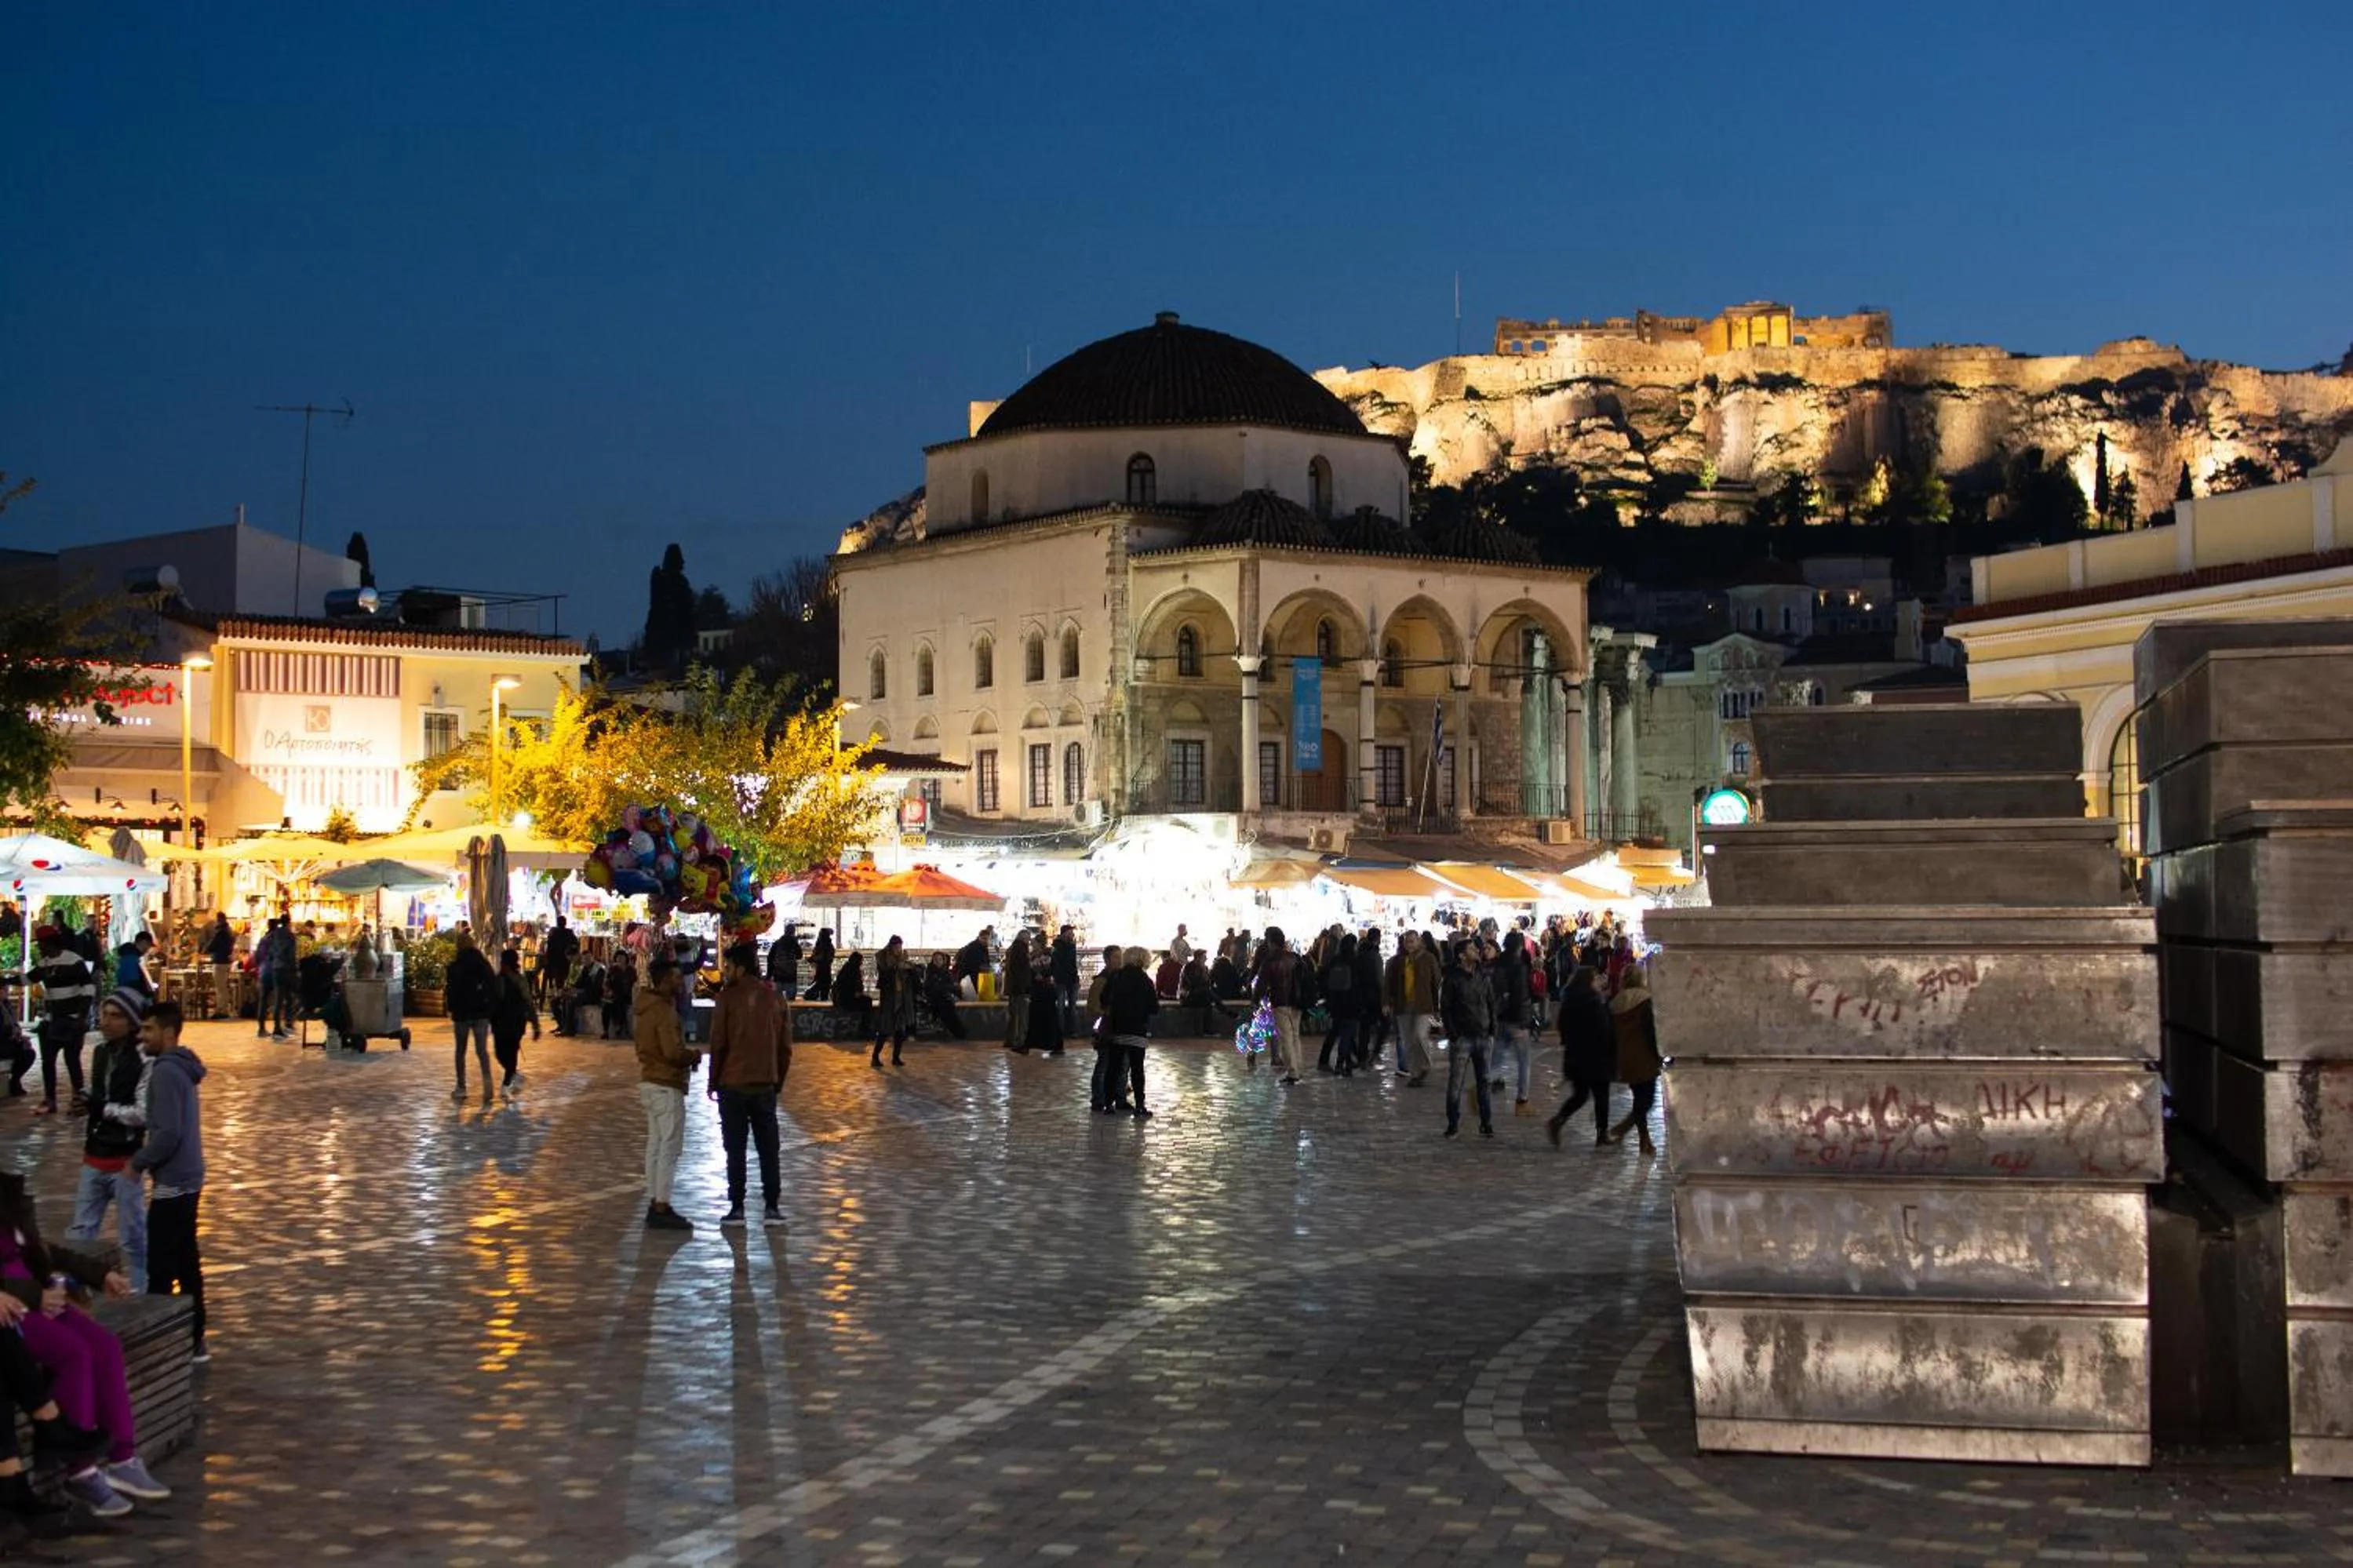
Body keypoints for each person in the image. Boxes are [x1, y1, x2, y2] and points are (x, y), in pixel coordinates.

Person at [0, 1169, 164, 1517]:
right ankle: (81, 1469)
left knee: (104, 1347)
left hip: (36, 1293)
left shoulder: (6, 1192)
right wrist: (32, 1296)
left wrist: (98, 1274)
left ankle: (122, 1456)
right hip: (12, 1305)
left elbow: (43, 1250)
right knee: (72, 1353)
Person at [132, 1001, 207, 1363]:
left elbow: (167, 1134)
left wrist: (138, 1163)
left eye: (147, 1029)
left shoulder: (165, 1072)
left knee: (162, 1265)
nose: (141, 1036)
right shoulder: (182, 1069)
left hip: (173, 1181)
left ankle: (161, 1347)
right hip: (190, 1176)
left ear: (167, 1033)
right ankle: (194, 1338)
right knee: (186, 1260)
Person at [67, 988, 150, 1292]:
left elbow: (142, 1114)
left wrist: (103, 1109)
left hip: (124, 1161)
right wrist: (85, 1100)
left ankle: (139, 1293)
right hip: (95, 1155)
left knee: (132, 1236)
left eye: (116, 1016)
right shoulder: (102, 1053)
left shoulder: (143, 1060)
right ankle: (75, 1294)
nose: (107, 1022)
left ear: (131, 1023)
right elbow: (99, 1087)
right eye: (104, 1015)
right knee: (80, 1232)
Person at [708, 941, 789, 1228]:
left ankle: (738, 1207)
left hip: (733, 1084)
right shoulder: (775, 998)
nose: (725, 972)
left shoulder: (727, 999)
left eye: (728, 967)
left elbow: (718, 1044)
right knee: (768, 1149)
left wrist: (713, 1080)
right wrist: (776, 1079)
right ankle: (772, 1207)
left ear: (740, 968)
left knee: (736, 1148)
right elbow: (785, 1047)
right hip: (764, 1083)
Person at [634, 958, 694, 1231]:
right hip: (665, 1083)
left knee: (655, 1146)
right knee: (669, 1148)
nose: (680, 982)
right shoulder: (664, 1012)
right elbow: (672, 1052)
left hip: (649, 1081)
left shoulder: (645, 1008)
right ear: (663, 981)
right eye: (675, 978)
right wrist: (692, 1056)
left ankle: (655, 1200)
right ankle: (661, 1206)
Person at [1546, 967, 1617, 1150]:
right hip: (1596, 1055)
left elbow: (1562, 1026)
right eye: (1595, 978)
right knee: (1601, 1094)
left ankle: (1559, 1119)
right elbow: (1603, 1030)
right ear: (1588, 981)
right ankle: (1602, 1133)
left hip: (1575, 1055)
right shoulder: (1594, 1001)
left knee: (1581, 1094)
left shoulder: (1569, 1000)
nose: (1598, 981)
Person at [31, 926, 95, 1117]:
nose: (39, 948)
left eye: (41, 945)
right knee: (48, 1061)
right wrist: (6, 981)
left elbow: (88, 988)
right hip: (52, 1021)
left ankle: (78, 1099)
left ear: (50, 944)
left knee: (72, 1060)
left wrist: (82, 1016)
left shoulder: (74, 961)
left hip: (72, 1020)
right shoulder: (45, 963)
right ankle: (50, 1099)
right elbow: (29, 979)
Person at [1440, 938, 1498, 1139]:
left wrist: (1492, 1030)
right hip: (1463, 1037)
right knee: (1456, 1083)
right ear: (1461, 955)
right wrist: (1453, 1034)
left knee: (1484, 1081)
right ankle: (1453, 1124)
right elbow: (1445, 1009)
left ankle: (1486, 1122)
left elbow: (1491, 1002)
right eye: (1472, 949)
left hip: (1483, 1036)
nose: (1477, 951)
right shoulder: (1453, 979)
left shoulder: (1483, 975)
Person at [1605, 966, 1662, 1155]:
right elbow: (1651, 1031)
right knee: (1647, 1101)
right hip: (1645, 1056)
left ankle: (1644, 1141)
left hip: (1626, 1058)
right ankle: (1624, 1128)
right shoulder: (1645, 1001)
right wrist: (1659, 1054)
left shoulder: (1615, 1003)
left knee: (1640, 1099)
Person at [1101, 946, 1160, 1119]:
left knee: (1113, 1068)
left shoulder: (1115, 977)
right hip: (1137, 1030)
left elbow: (1104, 999)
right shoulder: (1145, 980)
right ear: (1143, 960)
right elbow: (1154, 1007)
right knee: (1137, 1070)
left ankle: (1108, 1104)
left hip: (1117, 1029)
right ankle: (1140, 1105)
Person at [445, 932, 497, 1104]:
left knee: (461, 1051)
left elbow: (451, 991)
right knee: (482, 1051)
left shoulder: (455, 966)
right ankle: (488, 1085)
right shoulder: (482, 964)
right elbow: (493, 985)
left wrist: (451, 1008)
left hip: (462, 1014)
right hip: (481, 1013)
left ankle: (461, 1087)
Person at [1385, 930, 1440, 1087]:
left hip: (1423, 1006)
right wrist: (1387, 1002)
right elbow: (1389, 982)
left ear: (1419, 941)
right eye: (1407, 941)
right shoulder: (1398, 961)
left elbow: (1436, 983)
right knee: (1408, 1041)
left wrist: (1437, 1006)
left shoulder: (1428, 959)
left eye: (1412, 941)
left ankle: (1425, 1066)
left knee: (1419, 1036)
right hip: (1403, 1006)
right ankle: (1416, 1074)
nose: (1409, 944)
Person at [1251, 929, 1306, 1085]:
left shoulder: (1271, 960)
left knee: (1286, 1038)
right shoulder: (1294, 958)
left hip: (1280, 1002)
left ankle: (1293, 1072)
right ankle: (1298, 1068)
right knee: (1295, 1036)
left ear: (1271, 941)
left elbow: (1261, 983)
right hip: (1296, 1002)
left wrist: (1255, 1000)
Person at [1492, 930, 1535, 1116]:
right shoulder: (1519, 966)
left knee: (1498, 1057)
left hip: (1501, 1018)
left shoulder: (1498, 965)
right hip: (1517, 1020)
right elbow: (1520, 995)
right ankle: (1522, 1100)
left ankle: (1483, 1089)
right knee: (1524, 1061)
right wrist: (1524, 1020)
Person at [490, 948, 541, 1101]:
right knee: (500, 1054)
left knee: (510, 1054)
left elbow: (528, 1002)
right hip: (502, 1022)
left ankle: (506, 1084)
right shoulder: (499, 979)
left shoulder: (519, 980)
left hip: (514, 1022)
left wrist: (535, 1024)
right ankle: (513, 1074)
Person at [1087, 943, 1127, 1112]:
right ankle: (1098, 1098)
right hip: (1107, 1029)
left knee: (1123, 1064)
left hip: (1120, 1028)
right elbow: (1093, 1007)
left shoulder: (1122, 979)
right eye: (1116, 958)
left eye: (1121, 957)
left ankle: (1120, 1097)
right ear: (1107, 960)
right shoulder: (1101, 981)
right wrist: (1108, 1016)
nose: (1119, 961)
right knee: (1104, 1063)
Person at [1317, 933, 1361, 1075]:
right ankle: (1341, 1063)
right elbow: (1360, 984)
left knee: (1335, 1031)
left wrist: (1327, 998)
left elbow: (1323, 978)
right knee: (1347, 1033)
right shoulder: (1355, 961)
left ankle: (1326, 1061)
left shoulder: (1335, 960)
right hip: (1351, 1003)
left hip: (1335, 1003)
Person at [870, 936, 913, 1068]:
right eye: (896, 947)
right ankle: (875, 1056)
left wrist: (906, 966)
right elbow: (885, 972)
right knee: (885, 1029)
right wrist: (898, 965)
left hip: (902, 997)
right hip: (889, 998)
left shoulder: (903, 958)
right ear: (891, 946)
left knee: (900, 1029)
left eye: (900, 946)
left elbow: (910, 973)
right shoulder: (883, 957)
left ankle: (896, 1057)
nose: (898, 949)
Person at [257, 916, 298, 1038]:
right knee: (284, 998)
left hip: (267, 970)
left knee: (264, 1000)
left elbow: (260, 956)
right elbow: (291, 954)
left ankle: (261, 1028)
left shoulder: (267, 938)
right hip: (282, 969)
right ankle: (282, 1026)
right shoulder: (289, 936)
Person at [1000, 931, 1033, 1054]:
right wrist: (1024, 987)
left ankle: (1010, 1039)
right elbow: (1020, 971)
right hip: (1019, 989)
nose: (1029, 941)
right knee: (1021, 1016)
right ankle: (1019, 1041)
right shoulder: (1020, 950)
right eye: (1028, 938)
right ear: (1023, 938)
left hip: (1014, 988)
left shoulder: (1013, 948)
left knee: (1014, 1015)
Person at [923, 951, 966, 1039]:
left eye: (940, 959)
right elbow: (933, 987)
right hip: (935, 1000)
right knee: (947, 1010)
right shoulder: (931, 972)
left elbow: (948, 985)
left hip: (944, 998)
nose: (938, 962)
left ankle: (959, 1032)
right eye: (936, 960)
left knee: (949, 1010)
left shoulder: (945, 972)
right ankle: (959, 1033)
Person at [537, 913, 578, 1006]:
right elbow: (576, 944)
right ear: (565, 923)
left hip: (553, 963)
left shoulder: (554, 932)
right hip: (564, 963)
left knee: (558, 983)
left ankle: (553, 1002)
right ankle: (560, 1001)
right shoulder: (569, 933)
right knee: (563, 982)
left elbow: (549, 947)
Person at [202, 912, 237, 1019]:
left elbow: (212, 945)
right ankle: (223, 1009)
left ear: (219, 920)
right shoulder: (229, 931)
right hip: (226, 961)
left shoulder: (221, 932)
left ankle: (222, 1010)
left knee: (220, 988)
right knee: (223, 987)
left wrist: (205, 949)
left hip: (219, 962)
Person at [831, 949, 871, 1036]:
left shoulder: (846, 968)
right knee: (867, 1002)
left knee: (866, 1001)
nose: (862, 963)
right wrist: (858, 992)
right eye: (861, 961)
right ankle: (865, 1029)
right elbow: (856, 989)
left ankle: (865, 1028)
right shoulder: (854, 971)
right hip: (847, 1000)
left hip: (842, 998)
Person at [1049, 925, 1080, 1034]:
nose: (1072, 934)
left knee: (1072, 1007)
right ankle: (1061, 1031)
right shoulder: (1058, 946)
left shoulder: (1071, 945)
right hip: (1061, 979)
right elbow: (1061, 961)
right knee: (1061, 1007)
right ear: (1064, 933)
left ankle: (1073, 1030)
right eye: (1070, 932)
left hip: (1071, 979)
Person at [111, 931, 156, 1003]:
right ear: (143, 942)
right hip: (130, 1001)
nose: (147, 950)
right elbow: (133, 984)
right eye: (148, 945)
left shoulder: (130, 956)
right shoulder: (130, 959)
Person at [603, 955, 636, 1041]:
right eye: (618, 957)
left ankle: (619, 1025)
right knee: (607, 1006)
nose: (620, 959)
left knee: (619, 1002)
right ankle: (606, 1030)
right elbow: (607, 982)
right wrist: (608, 990)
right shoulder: (612, 969)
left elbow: (635, 982)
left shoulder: (631, 970)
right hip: (615, 993)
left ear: (626, 958)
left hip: (627, 994)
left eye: (622, 957)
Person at [952, 926, 993, 996]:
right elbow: (965, 964)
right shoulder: (972, 947)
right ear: (979, 937)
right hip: (969, 976)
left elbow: (986, 961)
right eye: (984, 939)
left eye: (987, 939)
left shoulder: (984, 947)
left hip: (976, 974)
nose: (986, 941)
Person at [802, 928, 836, 1002]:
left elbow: (816, 957)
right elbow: (829, 958)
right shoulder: (830, 946)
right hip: (827, 971)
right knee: (825, 992)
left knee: (816, 988)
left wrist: (810, 959)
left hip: (819, 971)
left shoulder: (819, 945)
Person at [766, 925, 800, 995]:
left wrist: (769, 975)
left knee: (777, 1001)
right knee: (791, 1001)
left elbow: (770, 958)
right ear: (793, 932)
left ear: (784, 931)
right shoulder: (794, 943)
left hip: (778, 975)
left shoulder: (777, 943)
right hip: (791, 976)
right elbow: (800, 956)